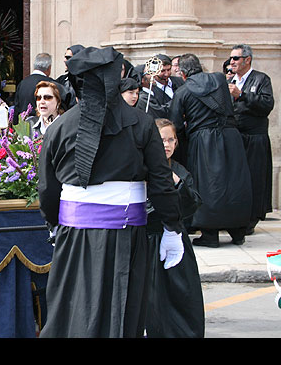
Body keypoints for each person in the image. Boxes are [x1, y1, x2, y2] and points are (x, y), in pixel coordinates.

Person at [38, 46, 183, 338]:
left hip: (76, 234)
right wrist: (173, 226)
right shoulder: (141, 123)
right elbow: (160, 180)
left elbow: (46, 188)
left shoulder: (59, 127)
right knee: (122, 308)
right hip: (124, 235)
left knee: (73, 306)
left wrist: (55, 223)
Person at [169, 53, 252, 247]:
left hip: (204, 141)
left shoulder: (183, 91)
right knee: (235, 182)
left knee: (208, 185)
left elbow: (175, 124)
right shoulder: (219, 79)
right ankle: (238, 231)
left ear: (182, 73)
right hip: (231, 137)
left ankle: (210, 234)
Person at [145, 118, 204, 338]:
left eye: (171, 140)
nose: (167, 145)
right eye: (162, 140)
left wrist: (178, 184)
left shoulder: (179, 170)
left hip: (175, 240)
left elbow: (192, 204)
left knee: (180, 295)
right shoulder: (142, 169)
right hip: (148, 241)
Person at [227, 44, 274, 235]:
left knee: (255, 177)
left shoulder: (261, 79)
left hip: (255, 137)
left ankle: (252, 218)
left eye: (236, 58)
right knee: (237, 178)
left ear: (247, 60)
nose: (232, 62)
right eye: (231, 58)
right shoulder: (229, 80)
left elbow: (266, 104)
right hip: (235, 136)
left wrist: (242, 95)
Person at [13, 52, 68, 123]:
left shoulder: (22, 83)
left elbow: (17, 108)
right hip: (43, 124)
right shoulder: (50, 84)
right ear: (49, 68)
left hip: (23, 124)